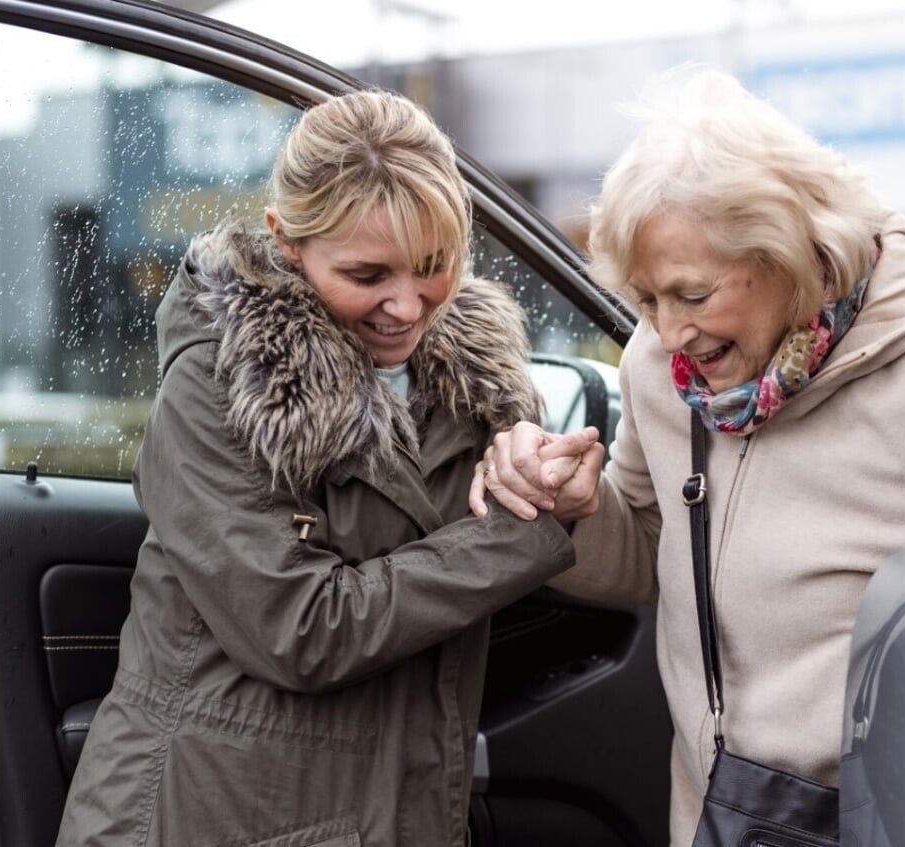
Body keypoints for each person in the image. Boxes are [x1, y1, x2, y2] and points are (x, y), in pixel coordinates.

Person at [469, 70, 905, 846]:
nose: (667, 332)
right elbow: (651, 549)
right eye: (647, 299)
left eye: (691, 295)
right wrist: (572, 509)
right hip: (716, 822)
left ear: (792, 249)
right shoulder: (660, 374)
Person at [56, 90, 576, 846]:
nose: (406, 305)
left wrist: (540, 465)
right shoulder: (218, 380)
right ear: (287, 242)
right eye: (368, 274)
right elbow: (302, 628)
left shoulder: (475, 382)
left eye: (435, 266)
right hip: (201, 816)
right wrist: (525, 528)